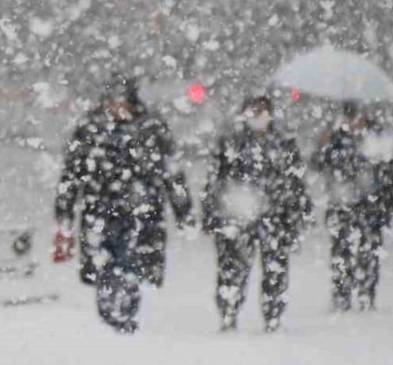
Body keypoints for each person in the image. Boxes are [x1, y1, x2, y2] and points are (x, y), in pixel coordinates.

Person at [54, 74, 193, 332]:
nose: (117, 108)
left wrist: (184, 211)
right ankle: (112, 313)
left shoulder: (150, 128)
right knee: (106, 265)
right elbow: (71, 176)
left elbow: (172, 173)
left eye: (122, 101)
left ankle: (124, 315)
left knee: (131, 264)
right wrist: (64, 214)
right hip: (101, 211)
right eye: (112, 101)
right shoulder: (90, 129)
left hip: (140, 214)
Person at [201, 96, 313, 331]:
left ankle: (273, 315)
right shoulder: (231, 142)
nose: (258, 117)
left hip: (275, 216)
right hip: (237, 215)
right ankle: (229, 311)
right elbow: (215, 180)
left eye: (261, 112)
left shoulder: (283, 143)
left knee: (275, 268)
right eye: (253, 112)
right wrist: (211, 213)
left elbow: (296, 181)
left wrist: (301, 210)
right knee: (232, 268)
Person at [311, 102, 393, 311]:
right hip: (343, 203)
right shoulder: (336, 139)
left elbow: (389, 171)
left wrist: (385, 199)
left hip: (371, 205)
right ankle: (342, 295)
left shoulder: (378, 138)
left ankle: (367, 294)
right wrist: (322, 146)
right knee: (341, 251)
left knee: (370, 251)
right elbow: (319, 164)